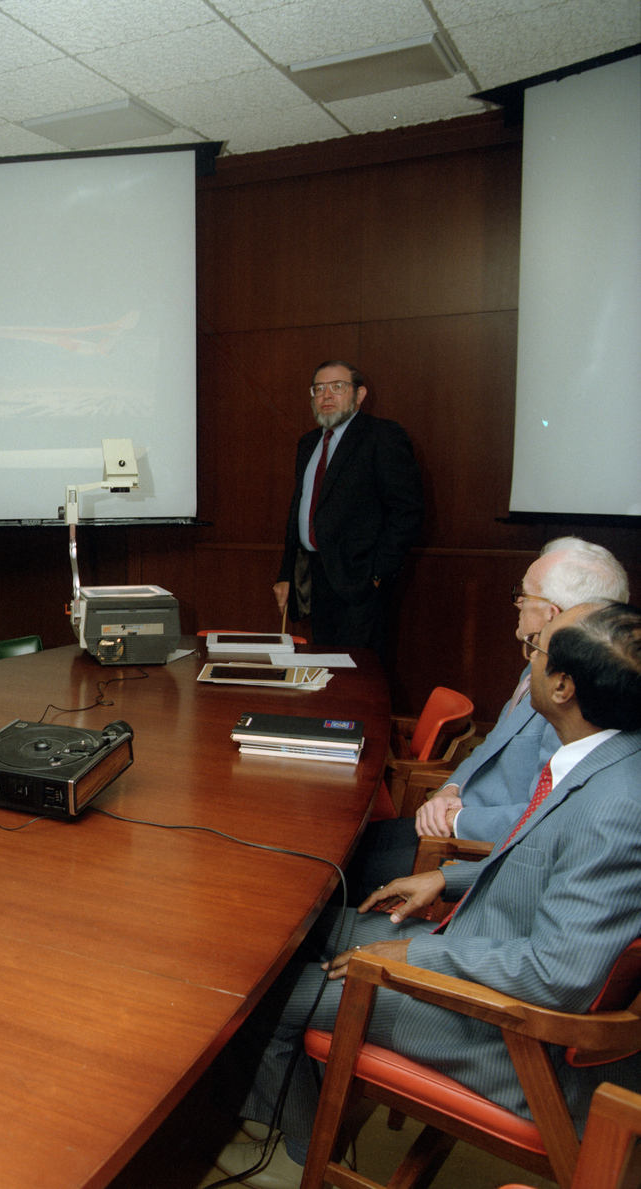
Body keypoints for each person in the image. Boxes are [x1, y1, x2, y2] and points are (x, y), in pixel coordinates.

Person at [215, 600, 641, 1188]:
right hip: (479, 950)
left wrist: (418, 955)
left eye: (539, 649)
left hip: (506, 1036)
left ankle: (296, 1161)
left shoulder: (618, 806)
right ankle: (297, 1109)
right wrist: (448, 877)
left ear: (564, 687)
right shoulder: (609, 759)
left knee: (259, 995)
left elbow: (560, 973)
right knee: (275, 933)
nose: (530, 652)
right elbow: (551, 866)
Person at [345, 536, 629, 899]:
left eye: (524, 594)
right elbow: (492, 747)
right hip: (454, 818)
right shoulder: (537, 662)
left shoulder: (576, 702)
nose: (518, 602)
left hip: (480, 849)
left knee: (333, 874)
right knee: (340, 840)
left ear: (551, 615)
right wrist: (451, 790)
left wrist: (457, 819)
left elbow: (547, 818)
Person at [272, 361, 423, 659]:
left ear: (360, 394)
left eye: (337, 387)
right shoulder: (309, 443)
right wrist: (286, 573)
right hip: (314, 578)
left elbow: (407, 511)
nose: (327, 395)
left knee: (357, 675)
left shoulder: (382, 436)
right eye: (319, 389)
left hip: (360, 582)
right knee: (325, 668)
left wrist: (378, 573)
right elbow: (299, 513)